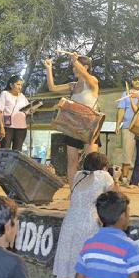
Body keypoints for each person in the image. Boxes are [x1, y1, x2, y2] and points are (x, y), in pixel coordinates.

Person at [48, 152, 117, 278]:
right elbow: (115, 197)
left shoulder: (78, 175)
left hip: (70, 224)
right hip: (89, 225)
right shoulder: (104, 176)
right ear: (103, 166)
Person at [44, 53, 101, 184]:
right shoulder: (73, 85)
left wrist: (75, 61)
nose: (74, 69)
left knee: (92, 160)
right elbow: (52, 88)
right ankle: (73, 190)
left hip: (89, 125)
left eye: (77, 67)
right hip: (73, 125)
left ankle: (93, 189)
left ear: (85, 67)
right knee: (72, 161)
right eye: (73, 67)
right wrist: (48, 68)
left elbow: (86, 76)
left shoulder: (93, 81)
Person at [116, 76, 139, 184]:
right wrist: (118, 124)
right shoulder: (126, 93)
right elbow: (121, 109)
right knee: (127, 152)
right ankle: (125, 177)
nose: (137, 82)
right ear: (132, 82)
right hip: (128, 126)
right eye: (135, 80)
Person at [0, 75, 30, 152]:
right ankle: (4, 164)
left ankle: (14, 164)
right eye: (18, 84)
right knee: (5, 150)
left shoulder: (22, 96)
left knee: (17, 151)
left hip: (21, 128)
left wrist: (32, 110)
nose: (20, 87)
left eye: (21, 85)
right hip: (7, 127)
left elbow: (27, 109)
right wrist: (2, 127)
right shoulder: (5, 94)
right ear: (11, 85)